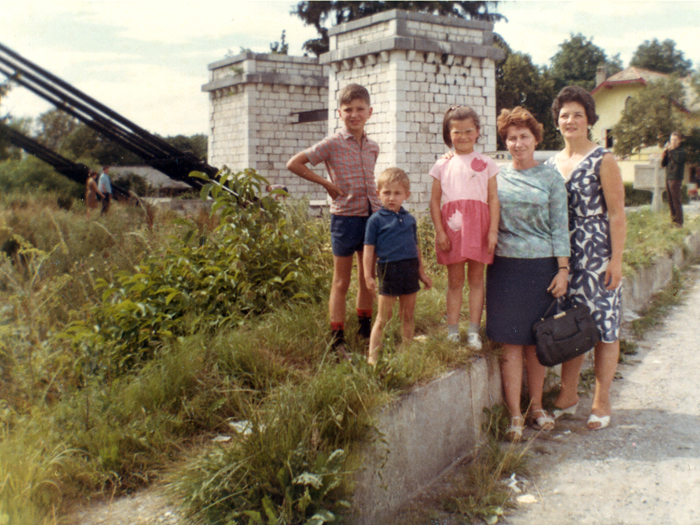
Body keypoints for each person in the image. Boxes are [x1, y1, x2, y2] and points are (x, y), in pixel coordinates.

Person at [545, 86, 627, 431]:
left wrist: (616, 260)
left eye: (578, 114)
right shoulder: (550, 163)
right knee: (570, 324)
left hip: (596, 252)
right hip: (564, 254)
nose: (571, 120)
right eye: (565, 115)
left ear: (589, 119)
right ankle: (567, 395)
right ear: (557, 122)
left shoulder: (603, 159)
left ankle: (601, 399)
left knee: (604, 325)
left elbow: (617, 213)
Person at [487, 107, 570, 442]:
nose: (517, 143)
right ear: (505, 142)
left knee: (537, 343)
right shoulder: (496, 177)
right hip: (505, 268)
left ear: (536, 139)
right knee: (510, 344)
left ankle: (536, 407)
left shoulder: (550, 178)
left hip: (542, 268)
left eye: (524, 136)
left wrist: (563, 269)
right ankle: (514, 414)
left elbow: (560, 227)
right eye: (511, 137)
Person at [286, 83, 380, 357]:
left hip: (371, 217)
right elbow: (294, 163)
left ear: (369, 112)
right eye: (348, 109)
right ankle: (337, 338)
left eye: (360, 109)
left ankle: (364, 330)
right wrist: (326, 184)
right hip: (344, 219)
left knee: (367, 277)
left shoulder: (373, 146)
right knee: (341, 281)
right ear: (339, 113)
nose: (354, 114)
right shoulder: (332, 143)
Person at [429, 106, 500, 350]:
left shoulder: (487, 163)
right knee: (455, 281)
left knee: (477, 281)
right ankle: (452, 331)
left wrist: (492, 231)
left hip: (480, 226)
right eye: (456, 132)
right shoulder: (442, 163)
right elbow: (434, 200)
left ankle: (473, 331)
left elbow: (493, 199)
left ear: (478, 132)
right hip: (453, 226)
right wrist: (439, 231)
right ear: (449, 134)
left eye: (468, 131)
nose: (462, 136)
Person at [363, 167, 433, 366]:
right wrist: (368, 276)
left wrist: (422, 273)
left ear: (406, 195)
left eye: (397, 193)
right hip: (388, 269)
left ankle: (407, 352)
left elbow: (415, 248)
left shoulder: (410, 219)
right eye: (386, 192)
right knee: (384, 317)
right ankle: (373, 358)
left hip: (409, 269)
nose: (391, 198)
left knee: (408, 315)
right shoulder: (375, 221)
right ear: (378, 194)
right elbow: (369, 250)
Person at [661, 131, 686, 227]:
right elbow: (663, 164)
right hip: (668, 177)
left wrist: (670, 151)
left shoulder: (681, 151)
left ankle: (680, 222)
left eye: (675, 140)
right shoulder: (669, 151)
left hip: (676, 178)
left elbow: (677, 160)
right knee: (670, 200)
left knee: (676, 201)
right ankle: (673, 221)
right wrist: (664, 153)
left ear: (679, 141)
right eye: (671, 140)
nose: (673, 142)